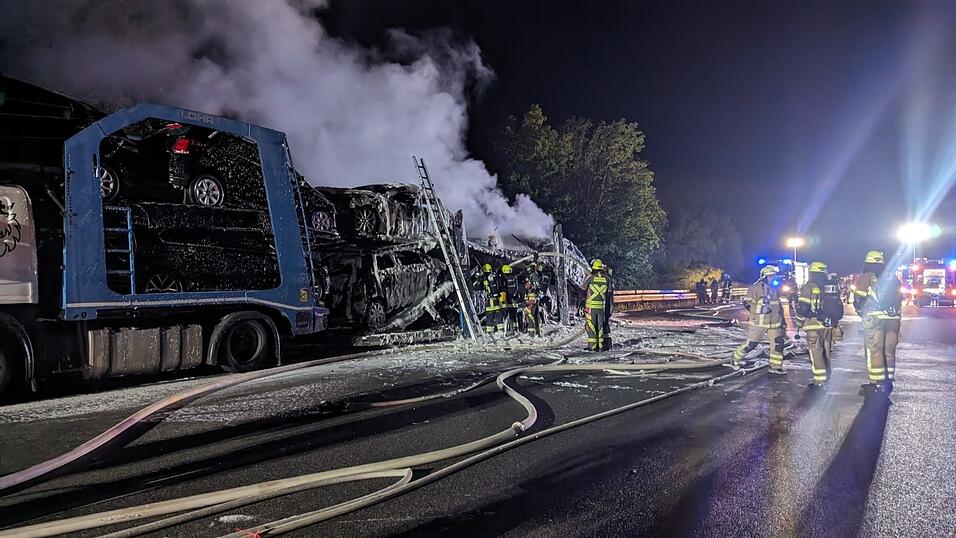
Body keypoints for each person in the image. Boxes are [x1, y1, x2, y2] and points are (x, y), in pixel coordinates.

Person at [852, 250, 902, 395]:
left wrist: (862, 312)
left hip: (875, 319)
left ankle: (877, 384)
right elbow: (899, 299)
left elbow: (859, 301)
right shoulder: (893, 278)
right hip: (894, 320)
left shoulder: (865, 277)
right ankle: (888, 381)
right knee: (889, 351)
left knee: (875, 350)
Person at [733, 265, 787, 373]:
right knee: (751, 344)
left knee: (778, 345)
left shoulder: (774, 289)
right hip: (759, 322)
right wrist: (758, 311)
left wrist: (783, 322)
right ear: (764, 277)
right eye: (770, 276)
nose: (773, 278)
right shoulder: (755, 288)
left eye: (774, 276)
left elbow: (778, 306)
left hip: (775, 323)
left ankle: (776, 367)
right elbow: (746, 303)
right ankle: (735, 359)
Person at [795, 261, 833, 387]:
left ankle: (819, 381)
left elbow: (802, 307)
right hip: (827, 325)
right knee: (826, 352)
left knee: (816, 353)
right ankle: (827, 377)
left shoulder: (809, 286)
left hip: (813, 325)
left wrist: (799, 321)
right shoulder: (828, 286)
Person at [584, 259, 610, 351]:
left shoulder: (590, 278)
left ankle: (592, 346)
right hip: (601, 307)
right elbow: (609, 293)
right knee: (600, 327)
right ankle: (600, 346)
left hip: (591, 307)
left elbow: (582, 288)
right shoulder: (607, 279)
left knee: (591, 327)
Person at [478, 263, 502, 334]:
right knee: (498, 314)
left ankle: (490, 331)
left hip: (490, 299)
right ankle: (500, 329)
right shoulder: (494, 277)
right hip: (497, 299)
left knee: (490, 314)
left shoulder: (487, 279)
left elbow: (480, 287)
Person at [499, 264, 520, 335]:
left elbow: (502, 287)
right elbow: (516, 287)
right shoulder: (514, 277)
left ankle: (506, 329)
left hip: (507, 298)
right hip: (514, 298)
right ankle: (515, 329)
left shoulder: (504, 278)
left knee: (505, 314)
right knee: (513, 314)